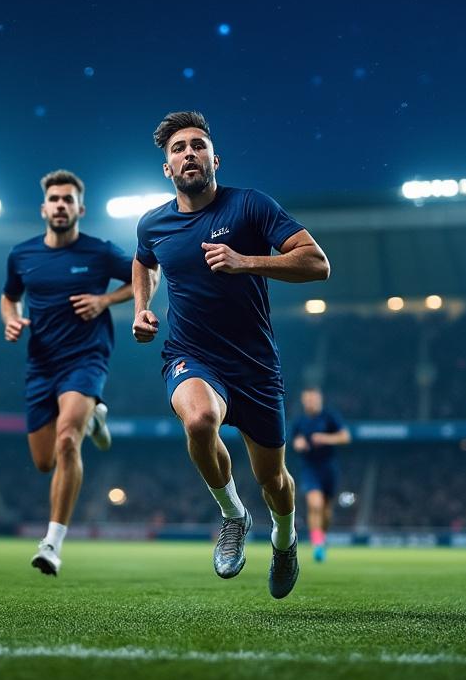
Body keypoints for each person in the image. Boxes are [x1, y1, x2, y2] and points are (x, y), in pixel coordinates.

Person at [132, 111, 330, 599]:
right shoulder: (153, 224)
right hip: (191, 354)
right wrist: (141, 308)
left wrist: (246, 262)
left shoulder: (250, 206)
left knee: (274, 480)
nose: (189, 154)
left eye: (198, 145)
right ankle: (233, 515)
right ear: (167, 168)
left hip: (255, 366)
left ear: (214, 159)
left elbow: (317, 263)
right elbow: (143, 262)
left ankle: (284, 541)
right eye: (178, 149)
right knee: (200, 420)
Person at [1, 169, 132, 576]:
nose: (61, 205)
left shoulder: (100, 251)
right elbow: (9, 297)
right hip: (41, 364)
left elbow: (146, 274)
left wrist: (104, 300)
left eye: (68, 199)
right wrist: (11, 319)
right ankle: (94, 418)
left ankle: (52, 544)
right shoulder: (22, 255)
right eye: (54, 199)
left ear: (80, 209)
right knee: (44, 462)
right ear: (44, 208)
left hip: (86, 357)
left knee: (66, 441)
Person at [290, 387, 350, 563]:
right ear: (303, 401)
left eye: (314, 399)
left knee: (326, 510)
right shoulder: (299, 421)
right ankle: (317, 544)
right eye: (308, 400)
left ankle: (321, 538)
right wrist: (298, 444)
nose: (311, 403)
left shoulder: (330, 417)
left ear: (319, 400)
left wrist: (325, 438)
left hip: (329, 468)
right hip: (310, 468)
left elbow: (345, 437)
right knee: (314, 504)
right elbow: (294, 441)